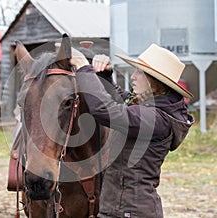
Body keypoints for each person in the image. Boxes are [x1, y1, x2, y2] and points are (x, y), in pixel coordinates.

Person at [70, 44, 194, 218]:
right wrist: (104, 75)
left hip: (129, 212)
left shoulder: (155, 119)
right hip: (121, 209)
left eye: (139, 72)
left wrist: (84, 68)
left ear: (154, 82)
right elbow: (121, 101)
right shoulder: (149, 108)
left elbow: (105, 110)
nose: (133, 77)